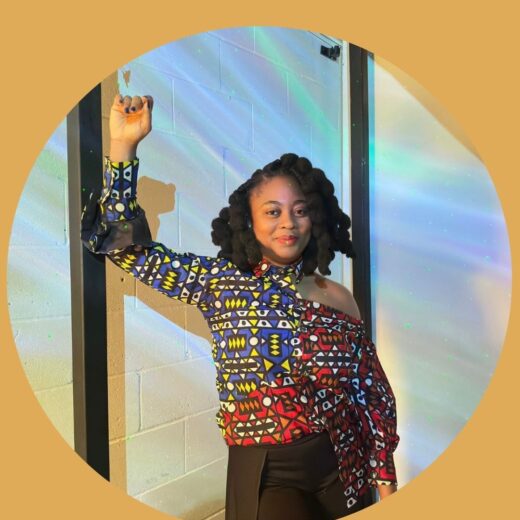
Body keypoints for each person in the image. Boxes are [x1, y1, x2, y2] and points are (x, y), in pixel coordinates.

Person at [81, 93, 399, 520]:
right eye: (273, 211)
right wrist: (124, 148)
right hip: (269, 470)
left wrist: (384, 476)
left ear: (315, 218)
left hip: (345, 464)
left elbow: (371, 390)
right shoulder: (222, 284)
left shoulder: (338, 296)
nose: (288, 222)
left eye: (300, 210)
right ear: (249, 222)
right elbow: (125, 249)